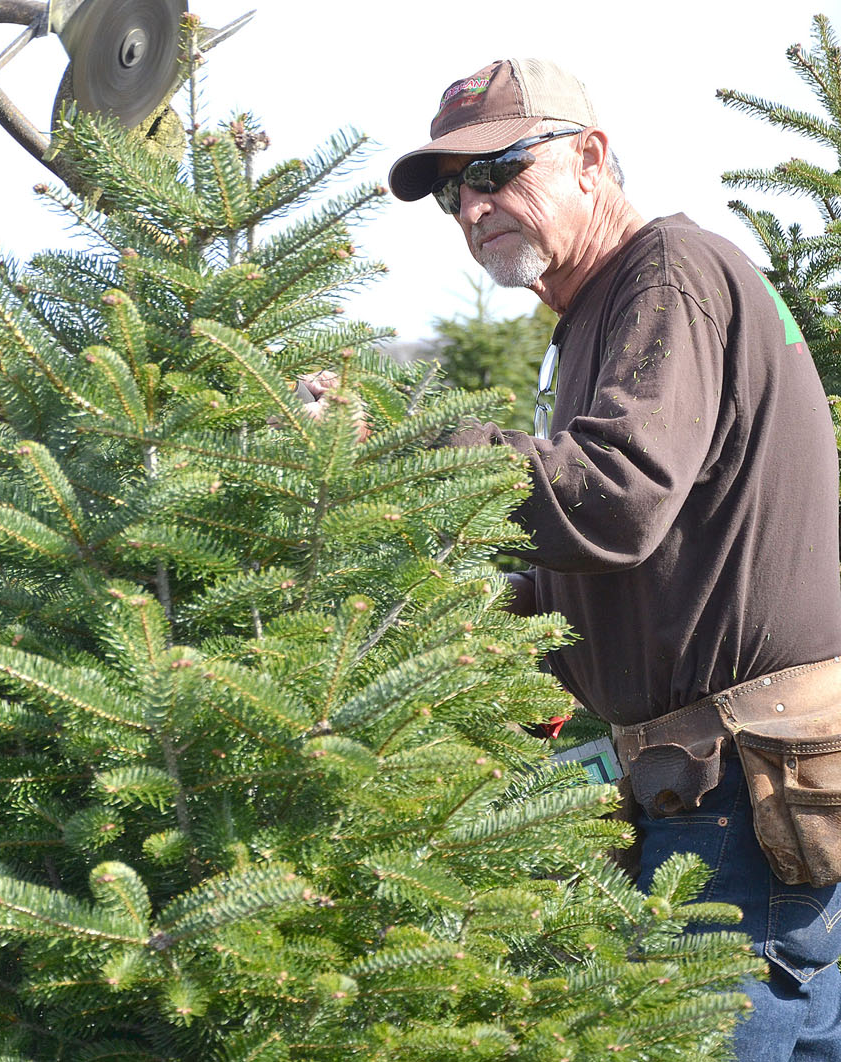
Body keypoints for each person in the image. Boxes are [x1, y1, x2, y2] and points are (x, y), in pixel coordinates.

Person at [356, 57, 841, 1059]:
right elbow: (616, 558)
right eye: (451, 192)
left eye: (495, 169)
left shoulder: (664, 274)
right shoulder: (594, 315)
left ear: (589, 157)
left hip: (735, 801)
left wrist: (400, 444)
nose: (471, 205)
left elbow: (612, 498)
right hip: (729, 791)